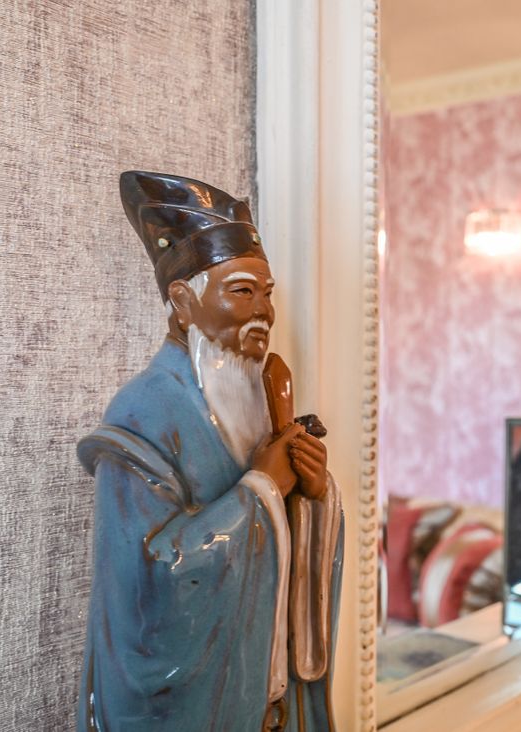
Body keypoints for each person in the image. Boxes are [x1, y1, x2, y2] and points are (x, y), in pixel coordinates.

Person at [77, 171, 342, 731]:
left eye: (267, 295)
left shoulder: (261, 397)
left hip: (268, 704)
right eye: (242, 291)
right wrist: (264, 489)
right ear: (182, 301)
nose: (264, 313)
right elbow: (146, 582)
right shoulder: (144, 414)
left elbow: (285, 541)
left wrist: (312, 498)